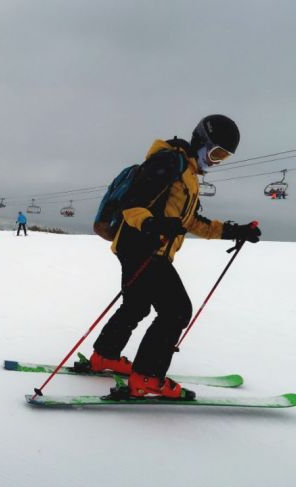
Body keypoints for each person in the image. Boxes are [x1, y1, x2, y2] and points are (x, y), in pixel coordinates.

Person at [86, 115, 261, 399]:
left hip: (143, 249)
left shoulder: (188, 175)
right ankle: (146, 377)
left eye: (224, 157)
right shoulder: (169, 163)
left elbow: (190, 221)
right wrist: (152, 225)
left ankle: (104, 357)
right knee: (177, 311)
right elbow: (134, 205)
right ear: (202, 141)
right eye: (216, 153)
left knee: (136, 305)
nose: (216, 162)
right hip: (145, 248)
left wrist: (234, 231)